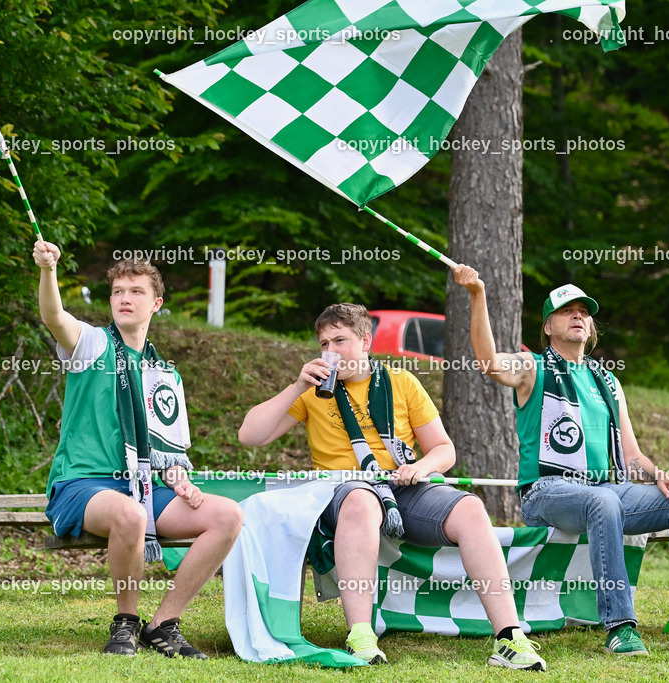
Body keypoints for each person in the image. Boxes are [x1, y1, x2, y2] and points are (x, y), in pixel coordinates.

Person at [454, 267, 669, 656]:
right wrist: (478, 293)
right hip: (547, 491)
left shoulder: (607, 380)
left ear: (591, 327)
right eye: (566, 310)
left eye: (584, 311)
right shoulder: (533, 368)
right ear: (548, 327)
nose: (578, 316)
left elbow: (632, 454)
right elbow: (488, 361)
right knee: (604, 500)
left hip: (604, 488)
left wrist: (662, 476)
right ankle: (619, 627)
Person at [238, 303, 546, 671]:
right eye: (324, 343)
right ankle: (361, 635)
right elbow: (250, 436)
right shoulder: (312, 390)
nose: (331, 351)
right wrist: (297, 385)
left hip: (404, 487)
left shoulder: (401, 381)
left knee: (471, 508)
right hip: (344, 489)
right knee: (361, 501)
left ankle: (510, 637)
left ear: (366, 340)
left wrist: (420, 468)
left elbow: (444, 450)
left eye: (341, 340)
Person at [34, 241, 242, 658]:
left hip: (144, 486)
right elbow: (53, 317)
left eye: (136, 291)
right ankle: (126, 621)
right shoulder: (92, 344)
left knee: (228, 516)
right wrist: (48, 270)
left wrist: (181, 482)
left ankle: (163, 624)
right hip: (82, 485)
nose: (124, 299)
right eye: (117, 292)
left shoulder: (166, 374)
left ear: (156, 303)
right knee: (129, 512)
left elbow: (171, 455)